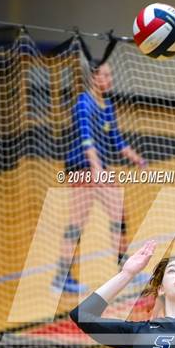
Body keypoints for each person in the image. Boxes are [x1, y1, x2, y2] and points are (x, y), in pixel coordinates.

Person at [52, 61, 146, 295]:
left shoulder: (107, 105)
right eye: (105, 75)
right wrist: (96, 169)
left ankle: (124, 269)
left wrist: (138, 159)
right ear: (94, 78)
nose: (110, 79)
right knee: (77, 223)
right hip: (82, 168)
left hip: (96, 168)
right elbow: (87, 141)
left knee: (118, 216)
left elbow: (117, 141)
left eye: (110, 74)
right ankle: (62, 278)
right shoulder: (84, 104)